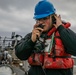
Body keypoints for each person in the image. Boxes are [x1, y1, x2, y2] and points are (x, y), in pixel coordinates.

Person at [15, 0, 76, 75]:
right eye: (38, 19)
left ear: (53, 17)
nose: (41, 22)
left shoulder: (64, 33)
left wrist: (61, 28)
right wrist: (31, 41)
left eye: (45, 18)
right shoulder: (32, 36)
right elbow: (20, 55)